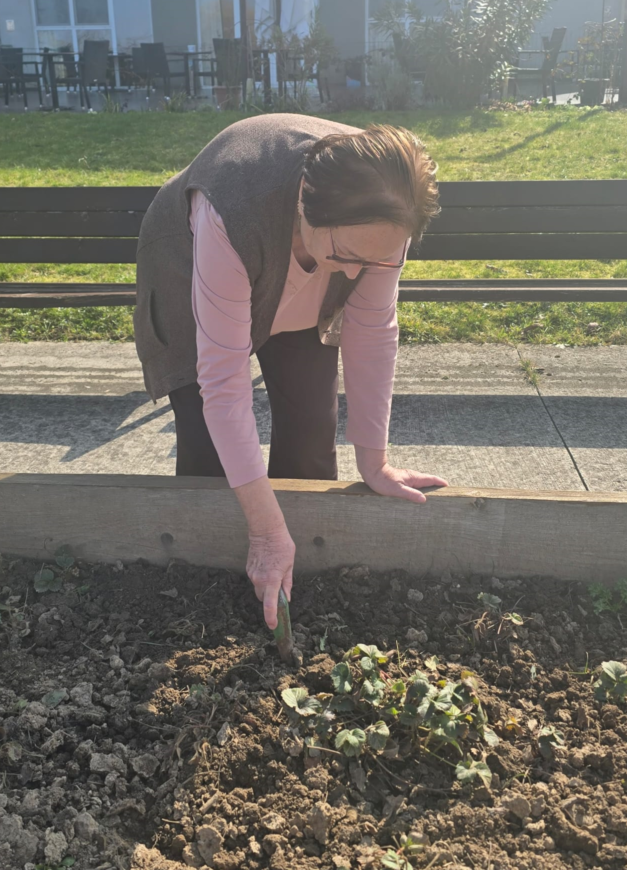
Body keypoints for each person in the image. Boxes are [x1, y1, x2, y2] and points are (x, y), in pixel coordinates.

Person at [134, 113, 448, 628]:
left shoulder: (385, 214)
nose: (355, 274)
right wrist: (263, 530)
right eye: (348, 255)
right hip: (190, 264)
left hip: (298, 272)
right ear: (305, 204)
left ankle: (297, 569)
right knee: (209, 451)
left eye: (372, 261)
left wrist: (375, 463)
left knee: (310, 428)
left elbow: (372, 333)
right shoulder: (231, 209)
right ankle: (210, 584)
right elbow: (223, 383)